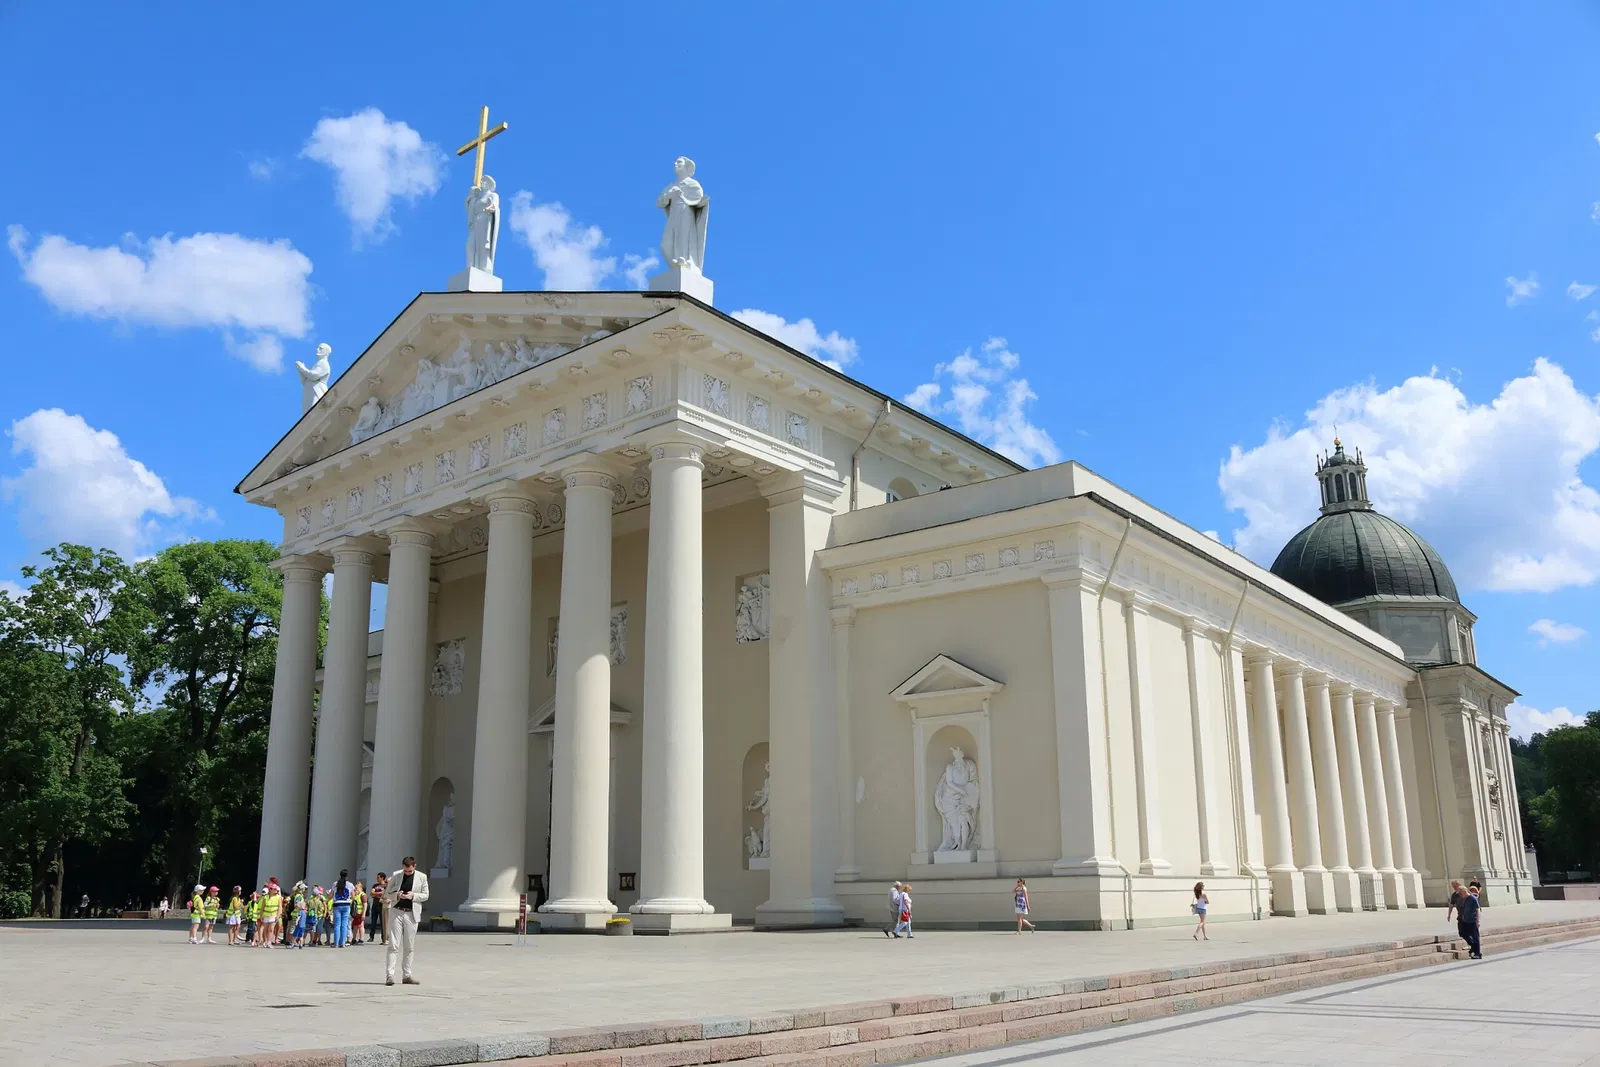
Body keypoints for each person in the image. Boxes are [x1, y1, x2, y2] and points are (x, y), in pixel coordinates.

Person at [385, 856, 430, 986]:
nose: (407, 873)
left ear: (414, 866)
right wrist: (397, 895)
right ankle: (390, 975)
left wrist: (413, 895)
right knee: (393, 945)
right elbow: (387, 893)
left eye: (410, 871)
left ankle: (407, 975)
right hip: (397, 911)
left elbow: (426, 895)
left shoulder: (422, 877)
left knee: (409, 946)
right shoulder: (396, 875)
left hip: (411, 913)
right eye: (405, 870)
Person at [330, 870, 355, 948]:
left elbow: (331, 895)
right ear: (347, 876)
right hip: (346, 905)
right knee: (344, 924)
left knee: (337, 925)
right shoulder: (350, 885)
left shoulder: (335, 884)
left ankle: (336, 943)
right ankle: (342, 943)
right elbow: (353, 896)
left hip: (337, 904)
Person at [1458, 884, 1483, 959]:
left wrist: (1478, 921)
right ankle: (1472, 946)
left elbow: (1477, 909)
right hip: (1465, 920)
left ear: (1465, 891)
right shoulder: (1465, 899)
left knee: (1475, 937)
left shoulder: (1473, 898)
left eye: (1461, 894)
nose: (1460, 896)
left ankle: (1477, 953)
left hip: (1472, 921)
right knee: (1462, 933)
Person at [259, 881, 281, 947]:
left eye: (274, 889)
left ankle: (269, 942)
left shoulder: (278, 897)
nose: (273, 890)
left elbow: (280, 907)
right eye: (271, 888)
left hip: (273, 915)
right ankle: (265, 941)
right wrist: (261, 915)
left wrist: (278, 915)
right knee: (265, 929)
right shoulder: (265, 897)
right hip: (266, 915)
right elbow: (262, 907)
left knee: (271, 929)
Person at [351, 881, 367, 945]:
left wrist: (363, 914)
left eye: (356, 888)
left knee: (361, 926)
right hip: (356, 914)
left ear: (361, 888)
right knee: (355, 926)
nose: (355, 889)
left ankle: (361, 939)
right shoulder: (356, 895)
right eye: (355, 888)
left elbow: (365, 904)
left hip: (360, 913)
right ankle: (354, 939)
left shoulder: (363, 895)